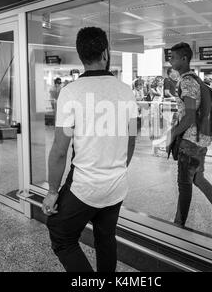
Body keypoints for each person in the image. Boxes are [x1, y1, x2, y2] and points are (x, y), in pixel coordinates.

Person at [44, 27, 138, 272]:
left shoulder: (70, 92)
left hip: (86, 185)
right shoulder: (127, 91)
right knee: (106, 238)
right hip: (117, 184)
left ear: (80, 56)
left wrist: (53, 191)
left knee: (61, 235)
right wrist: (116, 168)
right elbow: (132, 138)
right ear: (106, 53)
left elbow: (60, 150)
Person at [166, 42, 212, 239]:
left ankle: (177, 227)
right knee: (199, 180)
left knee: (184, 186)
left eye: (173, 57)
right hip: (200, 141)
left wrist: (172, 133)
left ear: (184, 59)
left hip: (190, 144)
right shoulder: (196, 80)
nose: (170, 60)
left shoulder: (187, 83)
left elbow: (189, 117)